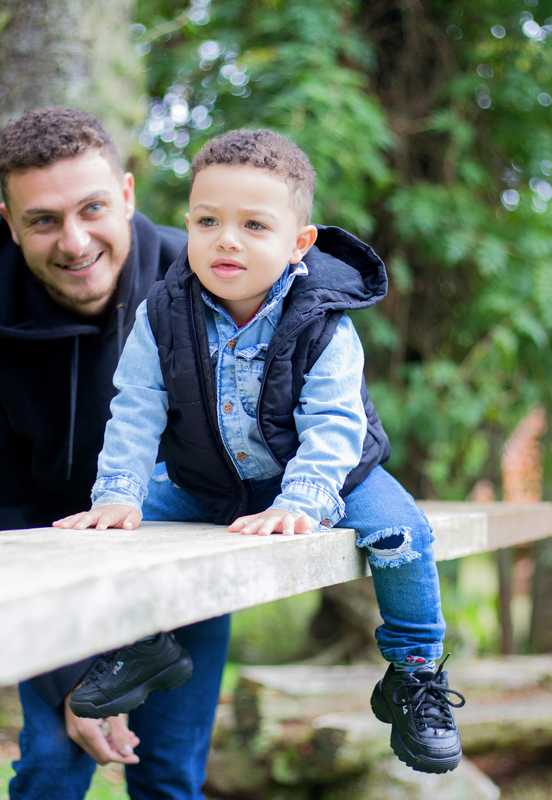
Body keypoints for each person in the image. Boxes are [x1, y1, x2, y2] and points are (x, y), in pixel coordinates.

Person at [54, 129, 465, 774]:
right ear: (187, 223)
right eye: (209, 221)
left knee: (402, 533)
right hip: (209, 480)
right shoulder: (161, 314)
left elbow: (334, 423)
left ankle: (413, 675)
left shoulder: (324, 319)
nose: (227, 239)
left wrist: (302, 500)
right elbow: (135, 410)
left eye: (254, 225)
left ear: (299, 243)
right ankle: (142, 641)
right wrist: (119, 495)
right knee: (110, 528)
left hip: (333, 477)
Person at [0, 106, 230, 800]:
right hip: (53, 582)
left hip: (188, 566)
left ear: (127, 196)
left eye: (93, 208)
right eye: (42, 220)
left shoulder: (206, 283)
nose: (73, 242)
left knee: (168, 779)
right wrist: (73, 679)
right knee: (52, 762)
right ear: (10, 225)